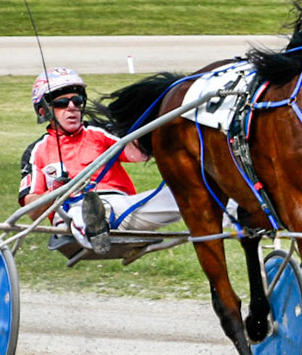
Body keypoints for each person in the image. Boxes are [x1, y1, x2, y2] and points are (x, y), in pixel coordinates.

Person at [19, 67, 181, 255]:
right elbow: (32, 210)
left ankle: (222, 209)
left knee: (187, 193)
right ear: (43, 111)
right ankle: (95, 229)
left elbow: (138, 153)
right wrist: (56, 191)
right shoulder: (37, 151)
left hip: (122, 209)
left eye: (77, 101)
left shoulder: (99, 133)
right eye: (62, 102)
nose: (72, 107)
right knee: (84, 210)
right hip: (73, 210)